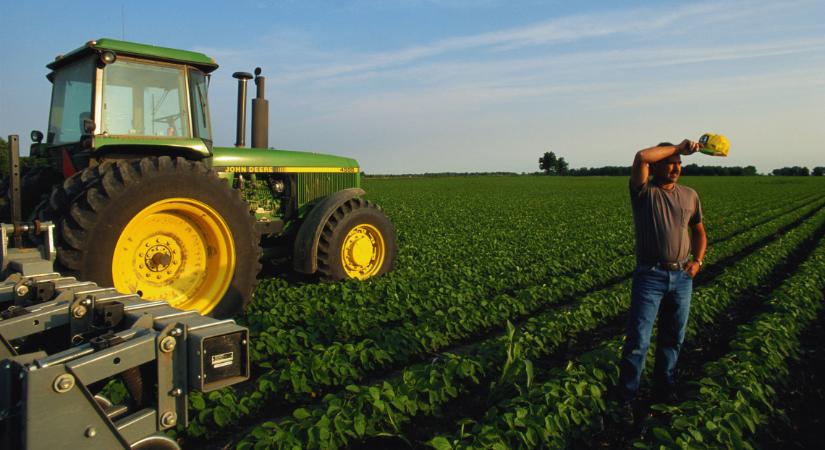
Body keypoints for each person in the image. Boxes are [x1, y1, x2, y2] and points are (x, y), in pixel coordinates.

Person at [616, 139, 707, 423]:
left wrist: (698, 261)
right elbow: (641, 156)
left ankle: (663, 390)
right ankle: (626, 398)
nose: (676, 168)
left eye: (679, 164)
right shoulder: (644, 192)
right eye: (670, 163)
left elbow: (700, 231)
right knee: (638, 340)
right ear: (656, 167)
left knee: (673, 338)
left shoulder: (690, 195)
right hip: (650, 275)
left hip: (682, 277)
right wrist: (679, 147)